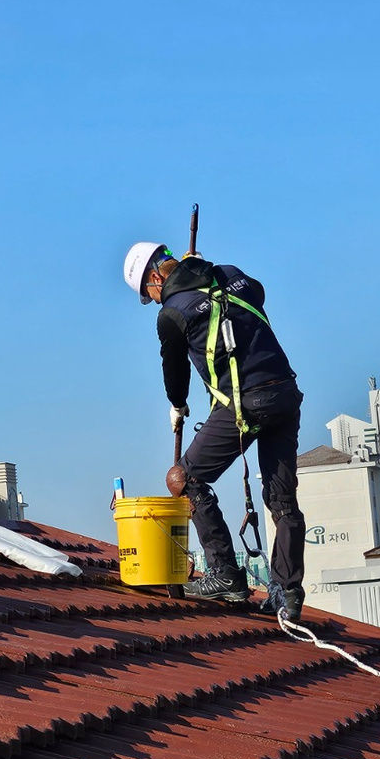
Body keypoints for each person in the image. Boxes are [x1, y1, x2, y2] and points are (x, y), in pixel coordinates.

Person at [123, 241, 306, 622]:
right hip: (284, 395)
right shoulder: (231, 274)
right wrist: (205, 272)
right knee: (282, 500)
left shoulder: (171, 314)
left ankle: (225, 573)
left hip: (245, 402)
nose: (154, 301)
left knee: (184, 479)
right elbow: (258, 292)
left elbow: (175, 372)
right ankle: (287, 592)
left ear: (155, 277)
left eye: (149, 293)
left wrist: (177, 406)